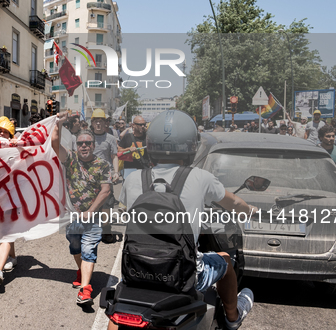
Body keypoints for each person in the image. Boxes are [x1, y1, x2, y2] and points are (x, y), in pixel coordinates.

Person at [114, 110, 255, 330]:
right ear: (192, 145)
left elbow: (126, 211)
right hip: (183, 275)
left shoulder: (133, 179)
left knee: (118, 310)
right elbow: (235, 203)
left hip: (136, 272)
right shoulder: (201, 178)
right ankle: (232, 318)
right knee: (226, 261)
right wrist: (250, 210)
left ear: (150, 144)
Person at [52, 115, 112, 305]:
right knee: (75, 247)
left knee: (88, 250)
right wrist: (59, 124)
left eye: (87, 143)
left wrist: (91, 211)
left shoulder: (103, 165)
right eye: (80, 143)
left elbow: (106, 190)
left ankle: (85, 290)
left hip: (92, 218)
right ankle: (81, 271)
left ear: (94, 145)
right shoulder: (70, 159)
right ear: (76, 145)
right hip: (72, 218)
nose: (84, 146)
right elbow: (54, 144)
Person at [0, 117, 21, 285]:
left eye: (5, 132)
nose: (1, 134)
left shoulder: (16, 147)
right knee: (5, 231)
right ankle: (13, 257)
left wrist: (18, 143)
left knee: (6, 233)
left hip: (13, 197)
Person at [89, 109, 120, 244]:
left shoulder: (111, 138)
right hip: (90, 176)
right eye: (96, 121)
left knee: (106, 205)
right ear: (92, 122)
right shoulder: (87, 137)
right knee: (90, 204)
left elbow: (114, 157)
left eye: (101, 121)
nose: (98, 123)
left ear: (105, 122)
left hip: (106, 176)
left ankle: (106, 229)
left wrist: (116, 172)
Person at [118, 115, 150, 180]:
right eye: (140, 125)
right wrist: (128, 149)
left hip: (144, 171)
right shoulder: (127, 137)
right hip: (129, 171)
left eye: (144, 124)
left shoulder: (148, 137)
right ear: (133, 125)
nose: (142, 126)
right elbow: (119, 150)